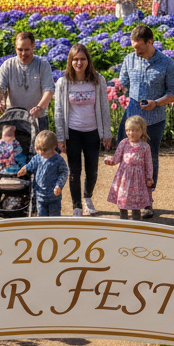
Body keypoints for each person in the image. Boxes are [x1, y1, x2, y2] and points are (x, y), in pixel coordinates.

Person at [117, 24, 174, 219]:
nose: (135, 51)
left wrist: (156, 102)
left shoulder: (166, 63)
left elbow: (173, 93)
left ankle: (147, 200)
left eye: (139, 48)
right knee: (126, 157)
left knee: (149, 159)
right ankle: (128, 197)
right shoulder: (129, 59)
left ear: (150, 42)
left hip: (155, 119)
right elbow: (124, 82)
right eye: (133, 47)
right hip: (132, 119)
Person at [54, 43, 112, 216]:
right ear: (70, 61)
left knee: (92, 170)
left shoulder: (97, 80)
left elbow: (104, 107)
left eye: (82, 59)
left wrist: (106, 134)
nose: (79, 63)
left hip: (92, 131)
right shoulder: (64, 82)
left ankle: (87, 198)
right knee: (74, 171)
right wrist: (60, 138)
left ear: (88, 60)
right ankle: (76, 206)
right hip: (73, 132)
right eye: (75, 59)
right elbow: (58, 111)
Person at [0, 31, 55, 132]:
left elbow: (49, 91)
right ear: (15, 48)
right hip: (14, 117)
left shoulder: (43, 65)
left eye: (27, 50)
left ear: (33, 46)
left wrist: (40, 107)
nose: (23, 54)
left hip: (37, 117)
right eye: (20, 50)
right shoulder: (8, 65)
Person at [105, 115, 155, 221]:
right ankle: (123, 219)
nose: (131, 133)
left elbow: (149, 163)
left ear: (142, 131)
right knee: (123, 197)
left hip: (138, 178)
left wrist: (149, 177)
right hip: (123, 177)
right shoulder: (124, 143)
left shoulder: (145, 147)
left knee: (136, 200)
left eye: (135, 130)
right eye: (128, 130)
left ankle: (136, 220)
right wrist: (110, 161)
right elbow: (117, 158)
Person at [15, 130, 68, 218]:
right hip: (40, 196)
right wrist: (25, 169)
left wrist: (59, 185)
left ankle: (55, 230)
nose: (41, 152)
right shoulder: (37, 158)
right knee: (41, 217)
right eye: (38, 149)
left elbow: (64, 173)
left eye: (44, 150)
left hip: (54, 197)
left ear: (53, 147)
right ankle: (42, 231)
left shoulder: (58, 160)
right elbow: (31, 164)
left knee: (55, 217)